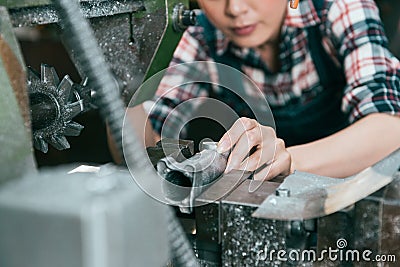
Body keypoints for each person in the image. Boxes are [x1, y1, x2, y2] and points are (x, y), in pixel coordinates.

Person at [126, 0, 400, 181]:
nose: (234, 8)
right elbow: (150, 137)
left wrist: (288, 160)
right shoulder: (200, 34)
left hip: (354, 191)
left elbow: (389, 129)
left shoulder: (337, 7)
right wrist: (122, 91)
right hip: (270, 202)